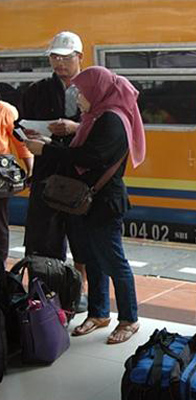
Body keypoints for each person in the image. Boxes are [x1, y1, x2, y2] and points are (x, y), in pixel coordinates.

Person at [25, 66, 146, 344]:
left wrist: (48, 149)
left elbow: (93, 157)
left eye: (82, 91)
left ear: (98, 91)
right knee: (92, 259)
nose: (77, 97)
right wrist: (49, 141)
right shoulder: (95, 117)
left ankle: (129, 318)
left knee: (114, 261)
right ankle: (99, 312)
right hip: (87, 202)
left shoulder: (113, 119)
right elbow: (80, 151)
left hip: (104, 202)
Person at [21, 31, 88, 312]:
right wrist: (31, 134)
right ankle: (45, 293)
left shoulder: (93, 88)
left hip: (79, 175)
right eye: (54, 57)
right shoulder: (37, 90)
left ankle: (79, 292)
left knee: (82, 239)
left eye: (66, 57)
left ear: (79, 57)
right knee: (43, 238)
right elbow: (23, 127)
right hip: (47, 174)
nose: (59, 63)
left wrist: (75, 128)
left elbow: (105, 128)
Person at [0, 101, 33, 267]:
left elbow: (21, 142)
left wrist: (30, 170)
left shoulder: (4, 110)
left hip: (0, 176)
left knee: (0, 223)